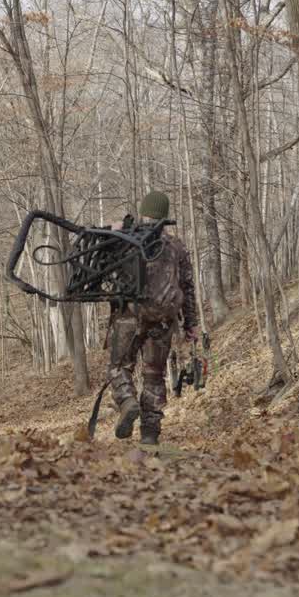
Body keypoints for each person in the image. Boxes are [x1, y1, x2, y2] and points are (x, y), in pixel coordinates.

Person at [106, 190, 198, 445]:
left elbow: (103, 266)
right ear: (164, 215)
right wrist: (191, 324)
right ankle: (150, 434)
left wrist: (113, 231)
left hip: (129, 316)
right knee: (154, 374)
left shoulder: (125, 238)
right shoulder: (177, 246)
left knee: (118, 366)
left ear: (143, 212)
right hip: (164, 320)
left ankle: (127, 401)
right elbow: (188, 286)